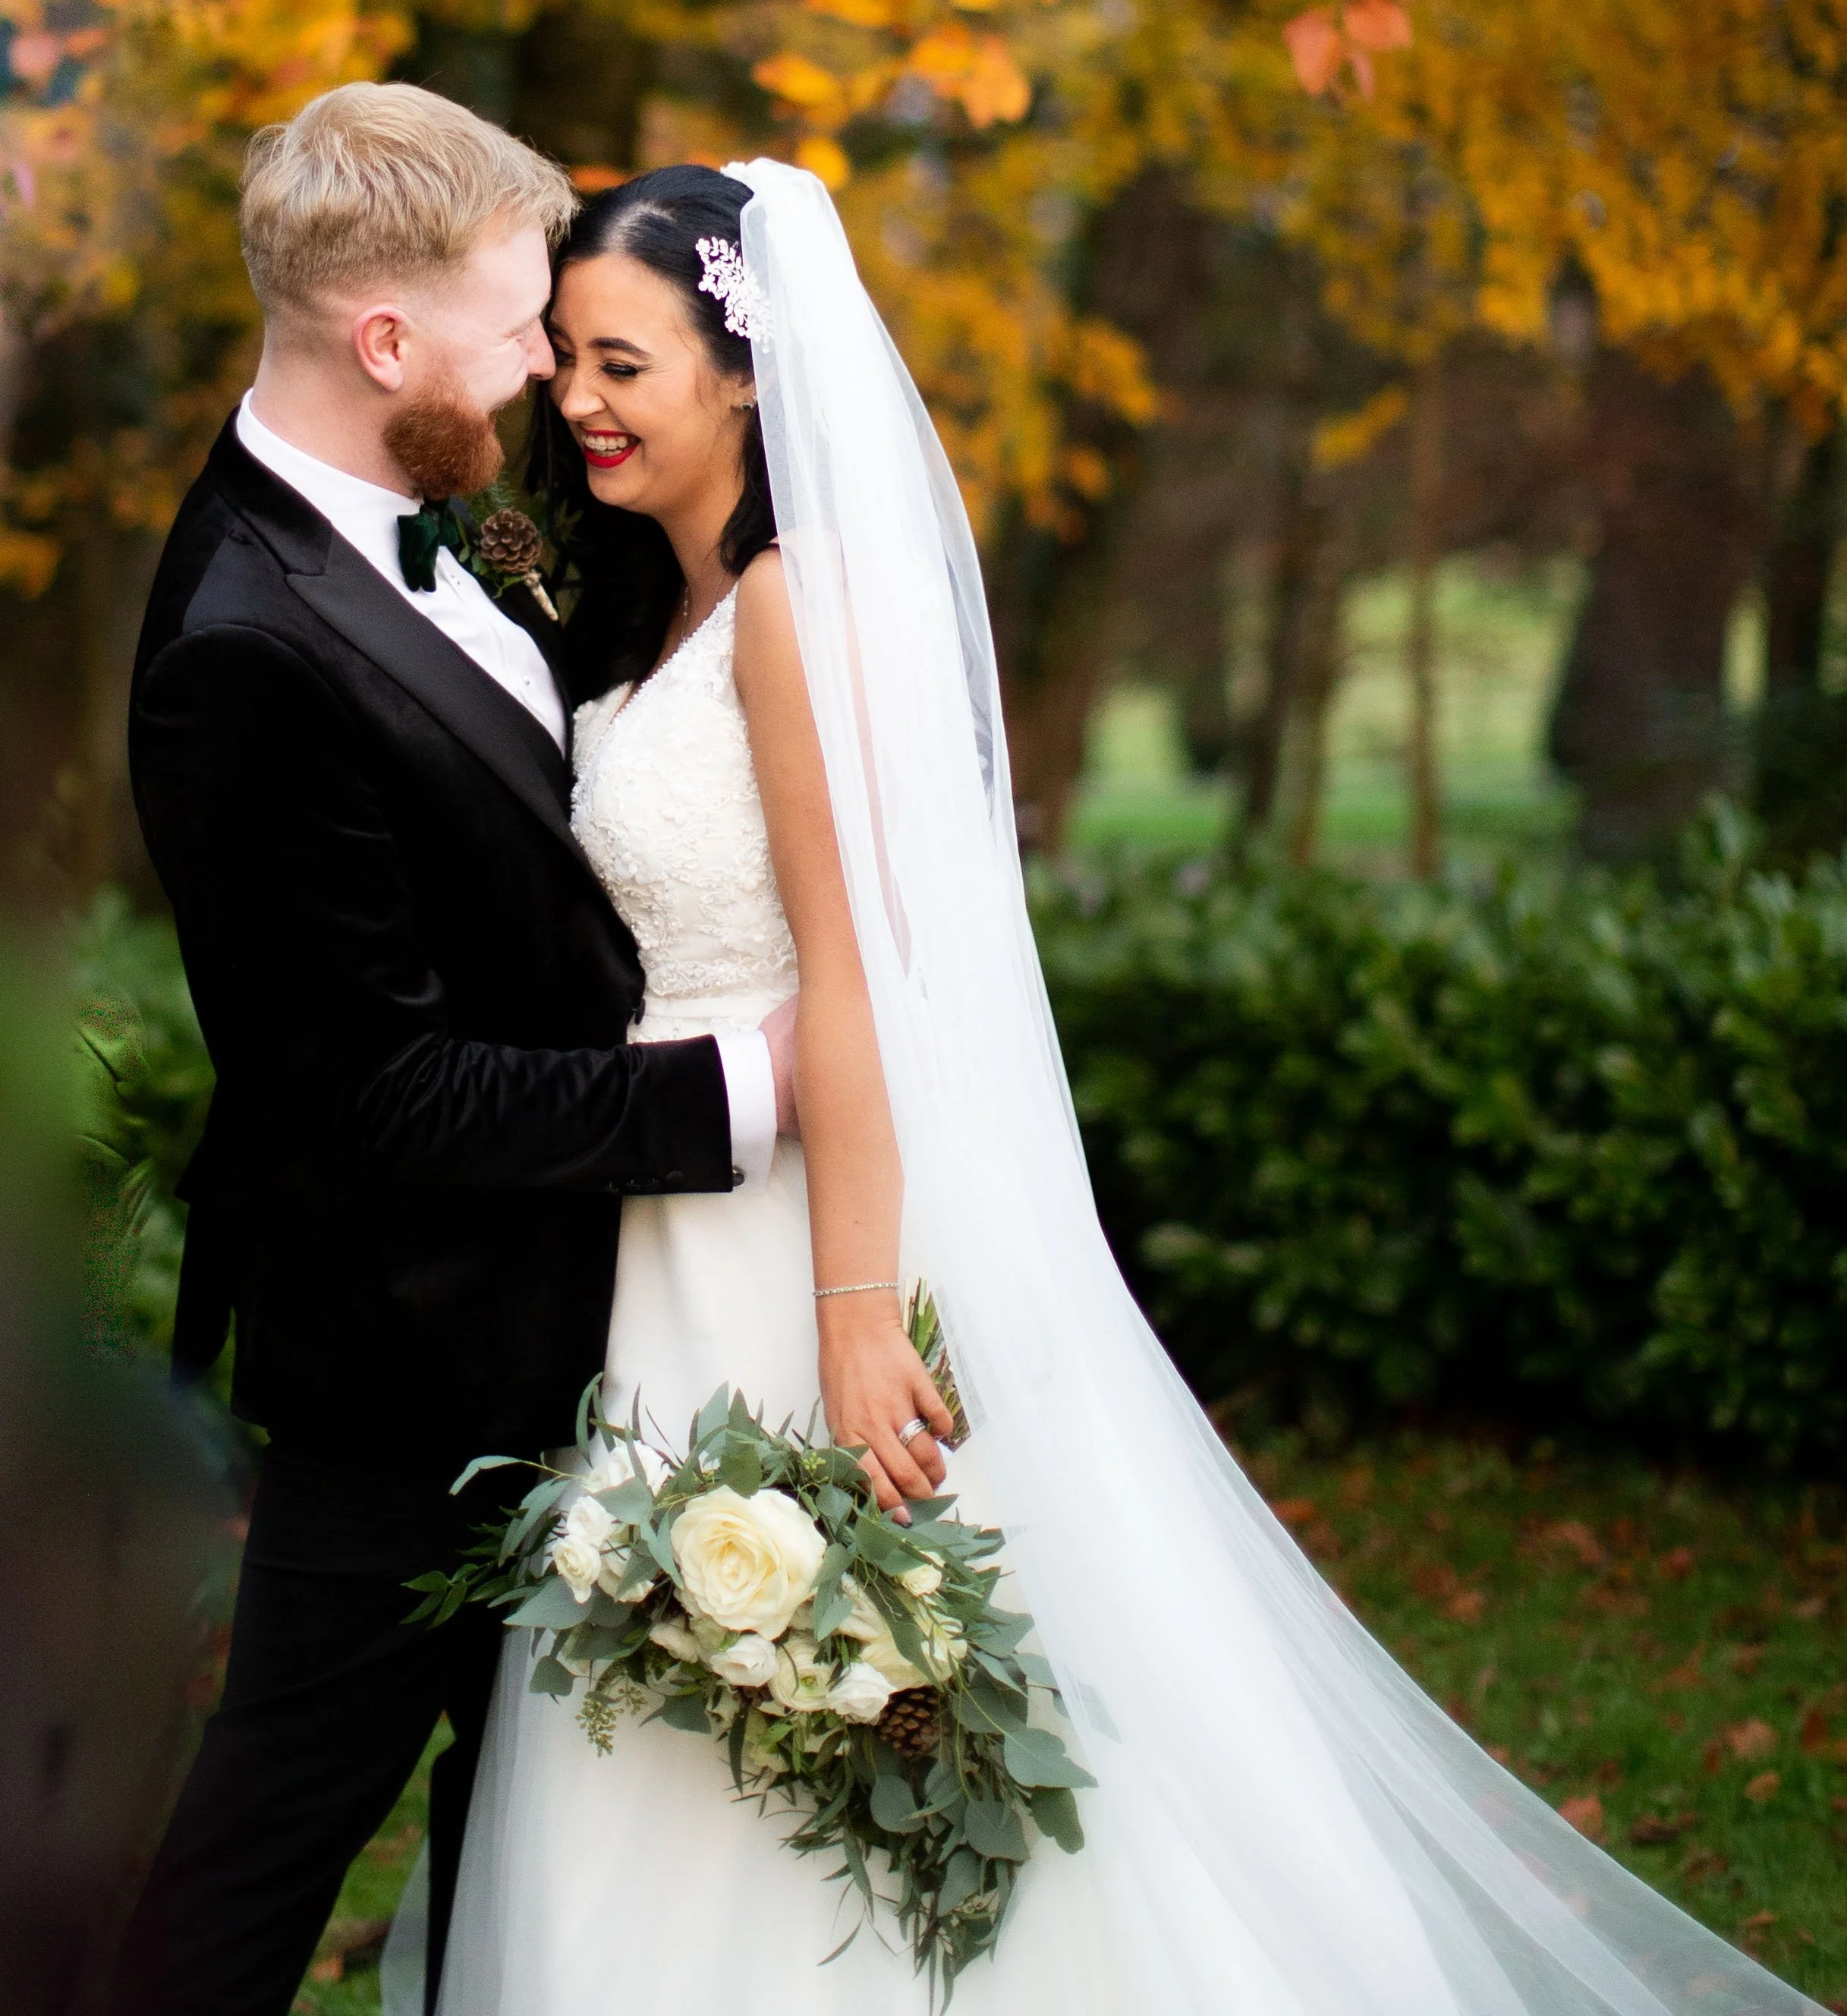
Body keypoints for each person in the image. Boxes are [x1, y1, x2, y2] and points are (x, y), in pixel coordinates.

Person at [427, 156, 1822, 2016]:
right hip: (667, 1232)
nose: (577, 402)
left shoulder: (788, 604)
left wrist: (851, 1313)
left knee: (820, 1684)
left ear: (744, 373)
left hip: (792, 1232)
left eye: (622, 363)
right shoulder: (658, 609)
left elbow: (857, 982)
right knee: (690, 1698)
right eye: (566, 363)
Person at [111, 85, 796, 2016]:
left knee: (554, 1814)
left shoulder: (428, 500)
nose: (545, 376)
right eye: (517, 332)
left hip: (593, 1309)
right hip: (406, 1354)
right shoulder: (242, 643)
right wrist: (749, 1085)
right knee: (270, 1831)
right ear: (385, 340)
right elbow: (380, 1093)